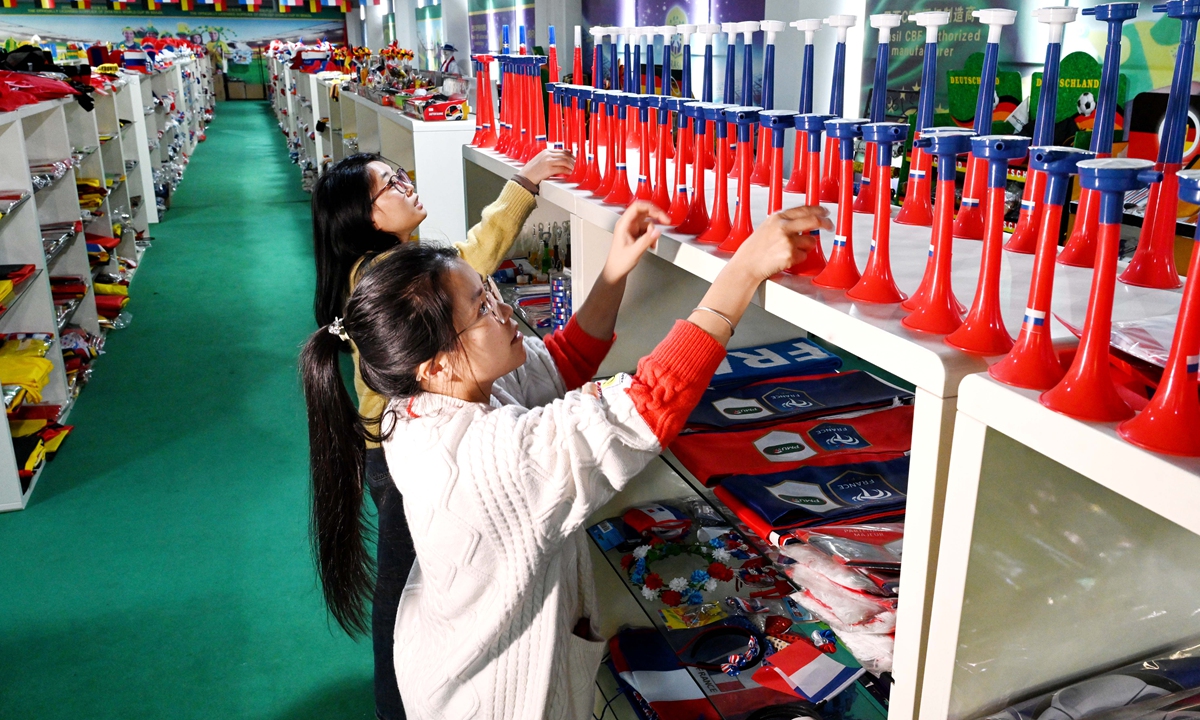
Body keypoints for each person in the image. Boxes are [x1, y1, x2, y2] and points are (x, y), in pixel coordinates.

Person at [300, 200, 831, 720]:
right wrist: (742, 272)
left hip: (448, 653)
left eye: (490, 292)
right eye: (482, 309)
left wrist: (614, 272)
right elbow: (646, 404)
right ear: (435, 363)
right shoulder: (486, 459)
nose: (505, 311)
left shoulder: (425, 400)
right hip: (491, 701)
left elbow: (559, 362)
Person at [309, 147, 574, 720]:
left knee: (412, 579)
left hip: (397, 446)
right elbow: (473, 257)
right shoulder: (385, 275)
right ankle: (396, 705)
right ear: (364, 217)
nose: (406, 185)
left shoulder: (388, 263)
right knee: (404, 586)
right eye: (390, 185)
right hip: (399, 453)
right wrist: (524, 183)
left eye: (401, 175)